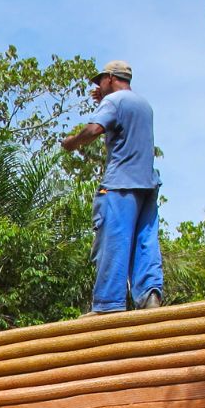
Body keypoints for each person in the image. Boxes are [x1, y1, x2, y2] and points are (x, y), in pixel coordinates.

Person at [60, 60, 164, 313]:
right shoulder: (144, 105)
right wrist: (104, 99)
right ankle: (149, 296)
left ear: (110, 77)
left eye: (100, 82)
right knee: (145, 241)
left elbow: (95, 128)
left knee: (114, 240)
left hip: (120, 184)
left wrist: (73, 142)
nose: (97, 87)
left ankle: (108, 305)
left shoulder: (114, 102)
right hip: (147, 185)